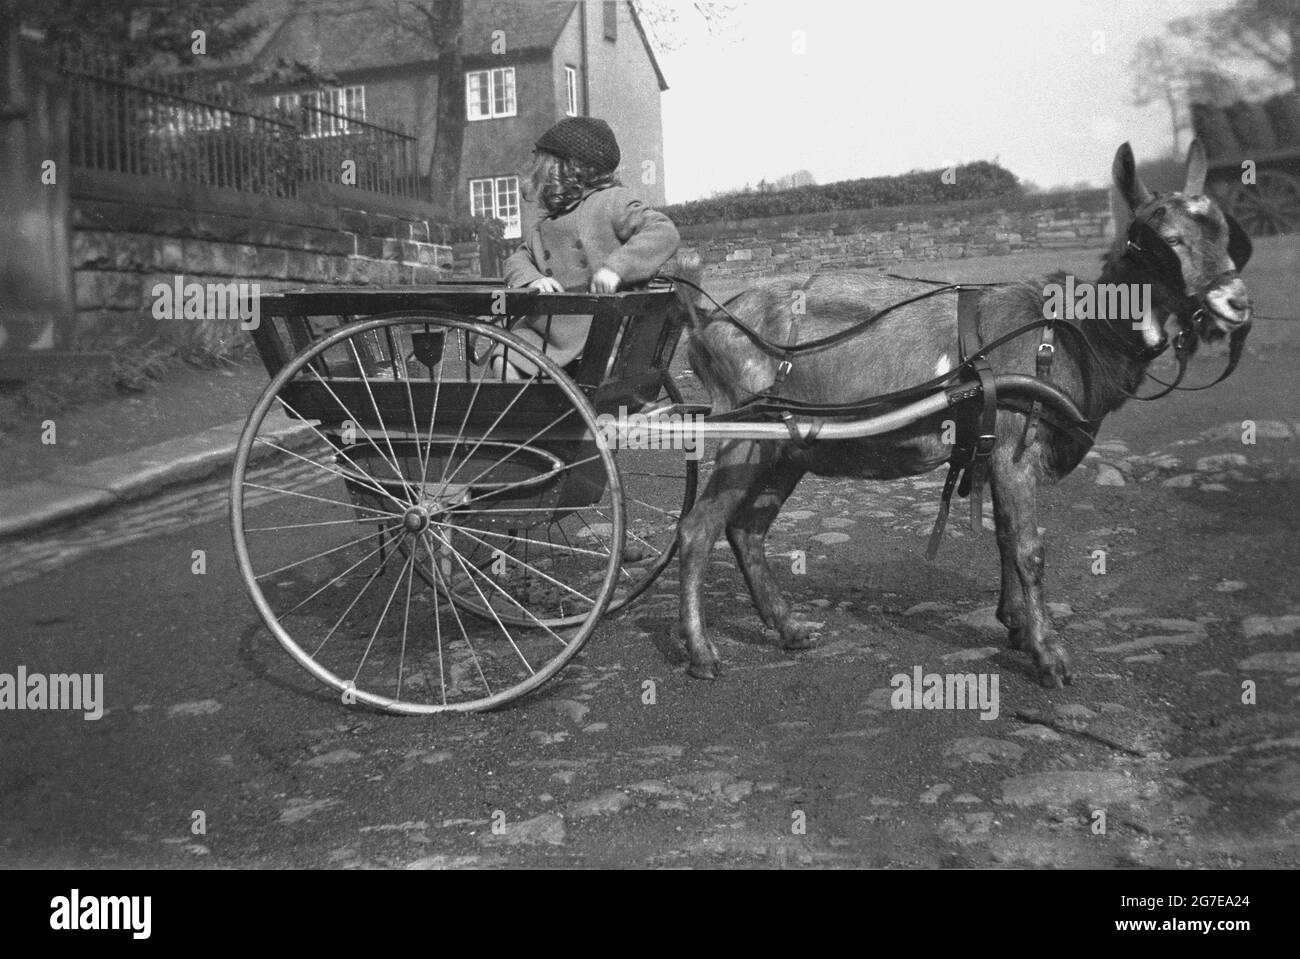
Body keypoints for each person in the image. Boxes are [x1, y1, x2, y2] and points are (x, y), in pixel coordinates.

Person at [491, 116, 680, 378]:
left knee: (606, 367)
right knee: (504, 361)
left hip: (603, 329)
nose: (538, 175)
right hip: (546, 333)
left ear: (567, 169)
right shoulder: (544, 225)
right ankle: (529, 417)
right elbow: (517, 259)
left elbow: (663, 230)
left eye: (544, 167)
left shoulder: (612, 201)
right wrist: (531, 279)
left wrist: (616, 269)